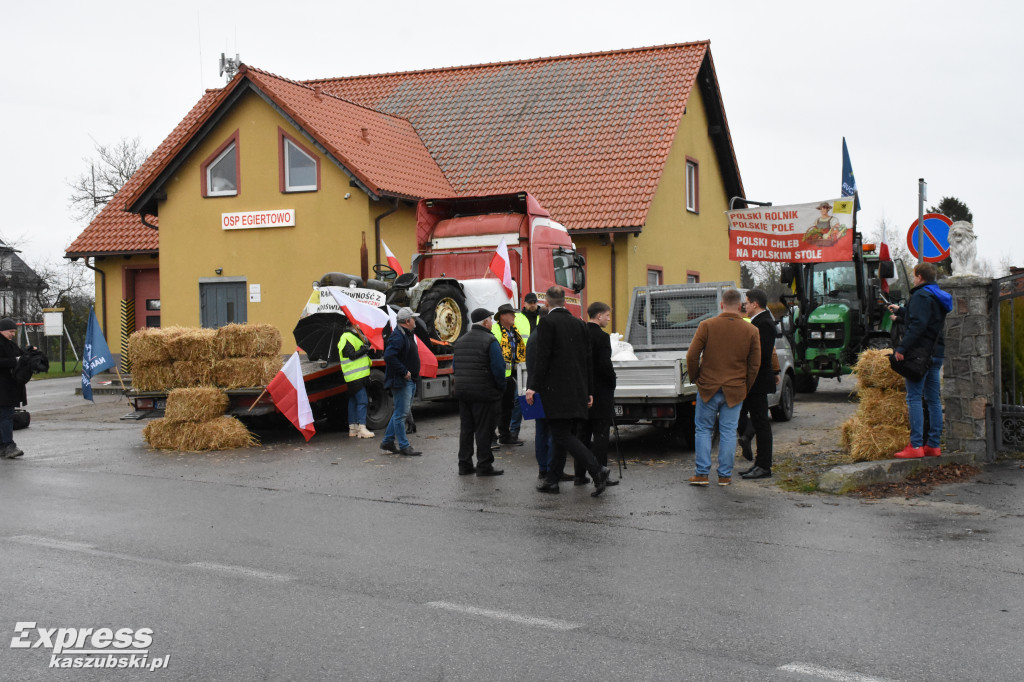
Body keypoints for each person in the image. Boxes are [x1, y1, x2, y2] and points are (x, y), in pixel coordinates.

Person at [526, 286, 611, 497]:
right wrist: (589, 390)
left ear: (547, 303)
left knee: (562, 435)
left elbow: (543, 358)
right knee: (561, 435)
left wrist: (532, 387)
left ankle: (597, 469)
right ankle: (552, 481)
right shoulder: (579, 324)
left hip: (556, 391)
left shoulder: (547, 322)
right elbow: (587, 361)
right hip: (578, 390)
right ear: (565, 302)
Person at [685, 289, 760, 486]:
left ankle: (701, 474)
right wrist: (745, 386)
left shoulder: (706, 325)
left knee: (703, 430)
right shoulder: (751, 330)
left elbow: (692, 356)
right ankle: (724, 475)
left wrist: (695, 378)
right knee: (729, 431)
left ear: (721, 305)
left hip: (708, 386)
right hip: (735, 389)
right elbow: (754, 365)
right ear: (740, 306)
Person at [887, 262, 952, 458]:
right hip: (936, 352)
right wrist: (901, 311)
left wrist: (902, 348)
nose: (914, 279)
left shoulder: (920, 295)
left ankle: (915, 445)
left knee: (914, 397)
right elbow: (925, 319)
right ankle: (933, 445)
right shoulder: (937, 296)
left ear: (920, 277)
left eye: (914, 276)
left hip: (919, 354)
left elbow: (918, 325)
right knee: (933, 400)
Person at [453, 308, 506, 476]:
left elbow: (456, 367)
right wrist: (500, 388)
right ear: (484, 322)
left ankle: (464, 464)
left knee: (466, 430)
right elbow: (498, 369)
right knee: (484, 430)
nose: (492, 322)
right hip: (484, 393)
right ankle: (484, 465)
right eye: (490, 319)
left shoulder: (460, 341)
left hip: (463, 392)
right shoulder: (490, 341)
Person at [736, 289, 778, 479]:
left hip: (758, 380)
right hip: (753, 380)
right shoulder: (758, 321)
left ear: (755, 304)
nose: (744, 305)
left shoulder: (765, 323)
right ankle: (758, 463)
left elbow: (762, 354)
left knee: (761, 423)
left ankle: (764, 466)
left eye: (746, 302)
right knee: (749, 418)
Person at [578, 301, 620, 486]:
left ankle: (580, 475)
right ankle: (601, 472)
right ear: (599, 316)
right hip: (601, 391)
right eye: (607, 315)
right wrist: (612, 381)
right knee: (601, 434)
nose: (609, 319)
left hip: (582, 389)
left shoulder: (580, 333)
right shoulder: (602, 337)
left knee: (583, 435)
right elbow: (605, 365)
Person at [380, 307, 422, 456]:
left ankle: (387, 441)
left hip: (409, 380)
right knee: (401, 414)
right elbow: (389, 356)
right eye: (413, 318)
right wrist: (404, 372)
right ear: (407, 321)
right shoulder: (398, 336)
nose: (415, 321)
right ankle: (404, 446)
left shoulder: (406, 334)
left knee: (399, 412)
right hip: (402, 381)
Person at [491, 303, 527, 446]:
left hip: (512, 374)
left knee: (507, 407)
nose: (514, 316)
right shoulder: (495, 330)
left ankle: (505, 436)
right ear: (503, 316)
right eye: (511, 314)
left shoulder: (514, 331)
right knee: (496, 409)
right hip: (499, 375)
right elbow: (493, 354)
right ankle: (491, 438)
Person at [338, 323, 374, 439]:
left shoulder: (354, 336)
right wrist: (364, 349)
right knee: (362, 401)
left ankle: (353, 429)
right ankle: (362, 429)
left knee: (353, 401)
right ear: (353, 325)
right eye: (357, 324)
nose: (360, 326)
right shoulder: (346, 337)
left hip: (356, 375)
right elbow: (352, 355)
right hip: (355, 376)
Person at [0, 318, 29, 459]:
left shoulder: (10, 345)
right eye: (10, 331)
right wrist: (16, 361)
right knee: (6, 416)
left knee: (4, 416)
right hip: (3, 388)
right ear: (2, 330)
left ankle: (3, 446)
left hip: (8, 387)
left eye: (14, 332)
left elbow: (21, 354)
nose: (12, 334)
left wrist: (29, 352)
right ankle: (8, 445)